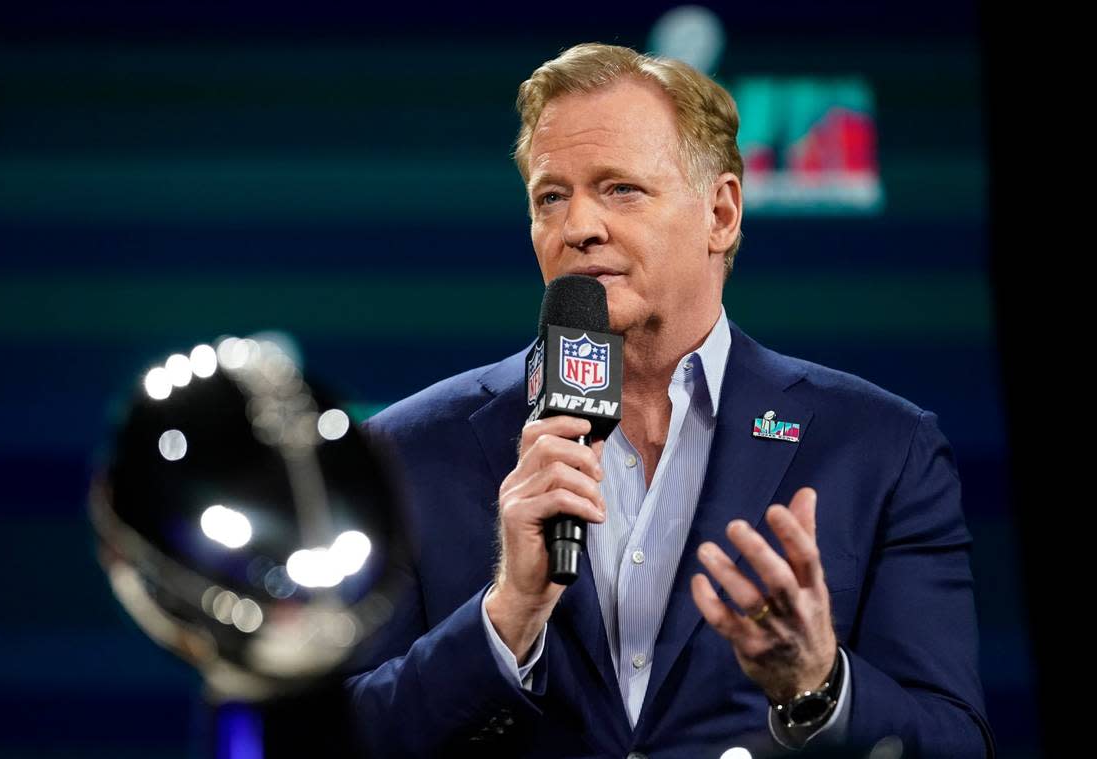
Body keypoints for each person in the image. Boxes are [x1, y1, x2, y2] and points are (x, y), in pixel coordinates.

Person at [344, 43, 994, 758]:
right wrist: (507, 618)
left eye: (620, 188)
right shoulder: (405, 453)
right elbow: (331, 738)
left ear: (719, 213)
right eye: (550, 197)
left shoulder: (881, 449)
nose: (577, 227)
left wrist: (820, 683)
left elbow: (954, 743)